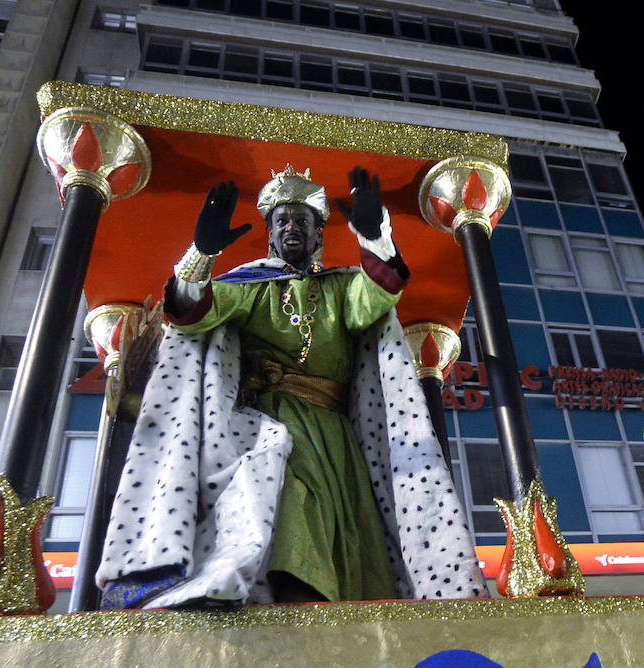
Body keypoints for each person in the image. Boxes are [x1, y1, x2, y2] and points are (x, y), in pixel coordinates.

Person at [95, 165, 486, 609]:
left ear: (319, 232)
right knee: (294, 511)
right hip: (270, 428)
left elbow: (380, 291)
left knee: (351, 534)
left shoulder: (341, 288)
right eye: (282, 220)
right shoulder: (249, 285)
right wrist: (200, 253)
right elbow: (191, 312)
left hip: (336, 437)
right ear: (270, 233)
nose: (291, 228)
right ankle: (291, 607)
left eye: (302, 220)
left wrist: (376, 237)